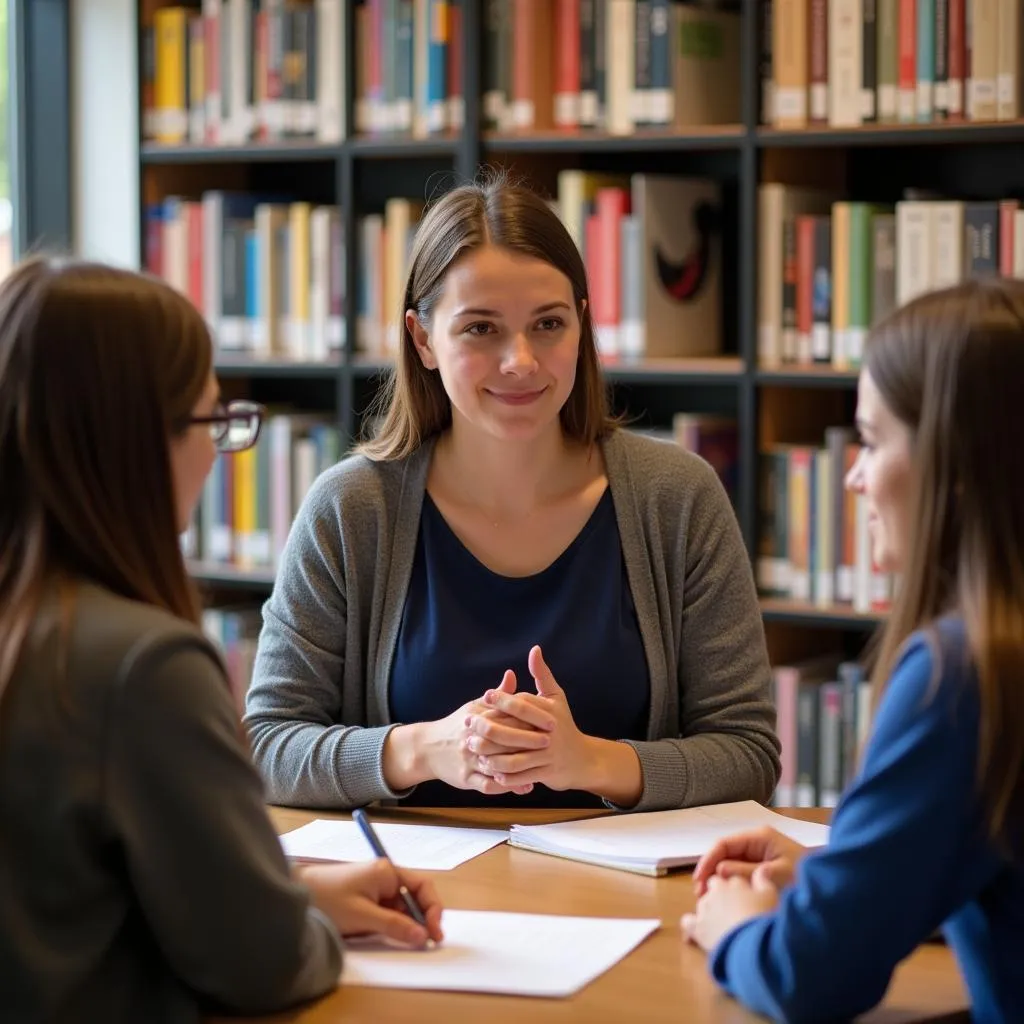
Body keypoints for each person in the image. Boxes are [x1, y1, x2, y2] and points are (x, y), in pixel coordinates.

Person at [244, 175, 781, 811]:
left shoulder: (678, 498)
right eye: (480, 329)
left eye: (548, 323)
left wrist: (589, 760)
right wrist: (428, 749)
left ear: (582, 325)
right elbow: (267, 746)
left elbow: (749, 753)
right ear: (422, 340)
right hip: (418, 899)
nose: (521, 361)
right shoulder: (351, 509)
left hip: (623, 902)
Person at [0, 256, 443, 1024]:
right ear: (134, 439)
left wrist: (291, 891)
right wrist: (297, 922)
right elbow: (264, 967)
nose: (216, 450)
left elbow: (71, 894)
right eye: (213, 421)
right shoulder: (142, 667)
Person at [682, 278, 1024, 1023]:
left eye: (870, 442)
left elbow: (809, 977)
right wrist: (845, 873)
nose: (852, 477)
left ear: (956, 467)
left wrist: (735, 925)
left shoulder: (966, 674)